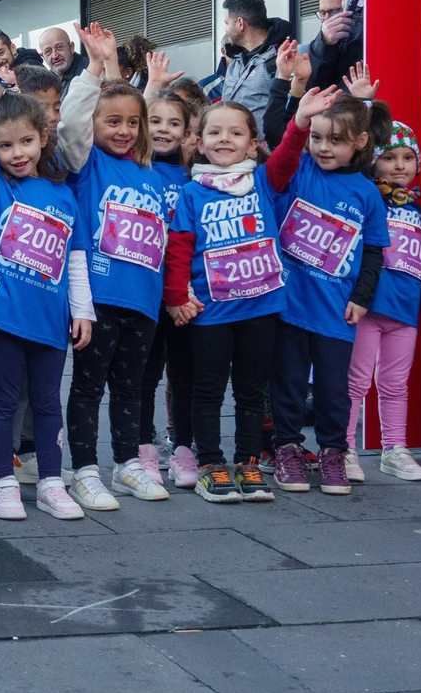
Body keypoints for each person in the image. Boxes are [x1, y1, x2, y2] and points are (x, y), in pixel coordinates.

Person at [163, 92, 327, 503]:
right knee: (209, 389)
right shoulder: (191, 193)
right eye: (214, 132)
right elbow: (179, 248)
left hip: (261, 308)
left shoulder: (263, 183)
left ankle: (248, 462)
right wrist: (176, 297)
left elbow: (289, 156)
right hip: (211, 312)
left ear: (252, 144)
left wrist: (301, 121)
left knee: (253, 390)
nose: (224, 139)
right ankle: (210, 463)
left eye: (236, 133)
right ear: (198, 142)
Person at [0, 63, 93, 521]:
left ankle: (51, 482)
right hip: (3, 313)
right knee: (2, 400)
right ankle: (2, 480)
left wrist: (83, 312)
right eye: (5, 145)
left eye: (24, 141)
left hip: (51, 319)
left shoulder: (63, 193)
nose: (16, 153)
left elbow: (75, 257)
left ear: (43, 136)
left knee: (46, 403)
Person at [55, 24, 171, 509]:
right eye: (112, 123)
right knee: (88, 387)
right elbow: (71, 123)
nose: (123, 131)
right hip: (100, 299)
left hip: (143, 301)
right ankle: (84, 469)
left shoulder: (148, 170)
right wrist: (96, 68)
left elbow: (131, 104)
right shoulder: (86, 164)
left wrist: (147, 90)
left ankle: (127, 465)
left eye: (132, 123)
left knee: (131, 389)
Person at [271, 87, 389, 496]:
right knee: (286, 384)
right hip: (288, 307)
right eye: (317, 137)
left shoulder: (367, 192)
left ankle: (334, 452)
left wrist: (362, 297)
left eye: (336, 140)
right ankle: (286, 448)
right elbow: (277, 137)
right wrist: (293, 98)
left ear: (359, 141)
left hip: (337, 312)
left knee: (333, 389)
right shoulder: (299, 169)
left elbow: (374, 252)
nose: (323, 147)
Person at [351, 118, 421, 482]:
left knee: (396, 383)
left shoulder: (420, 211)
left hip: (405, 312)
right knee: (355, 382)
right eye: (390, 157)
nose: (400, 166)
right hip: (367, 309)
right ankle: (343, 448)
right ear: (373, 161)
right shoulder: (368, 200)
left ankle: (394, 449)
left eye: (408, 157)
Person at [139, 55, 196, 487]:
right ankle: (142, 443)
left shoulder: (193, 178)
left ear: (187, 132)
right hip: (142, 290)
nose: (163, 130)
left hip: (186, 296)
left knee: (185, 371)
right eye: (154, 121)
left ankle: (183, 446)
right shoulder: (137, 166)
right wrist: (151, 87)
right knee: (144, 371)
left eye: (173, 124)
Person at [215, 0, 292, 120]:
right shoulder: (235, 61)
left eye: (227, 23)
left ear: (240, 23)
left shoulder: (282, 59)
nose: (226, 30)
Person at [38, 26, 89, 96]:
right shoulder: (44, 82)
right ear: (43, 56)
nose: (54, 56)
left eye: (59, 47)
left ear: (71, 47)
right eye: (48, 51)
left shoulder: (90, 70)